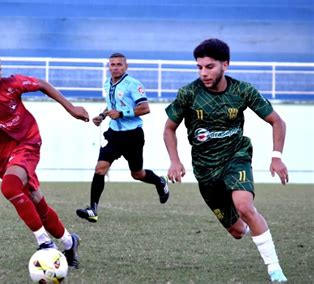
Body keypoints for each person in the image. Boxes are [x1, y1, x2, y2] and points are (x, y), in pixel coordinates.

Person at [0, 48, 89, 268]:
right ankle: (70, 242)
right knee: (36, 201)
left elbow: (41, 84)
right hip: (1, 156)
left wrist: (70, 108)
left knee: (10, 187)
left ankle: (45, 244)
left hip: (27, 142)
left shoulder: (12, 84)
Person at [163, 38, 288, 282]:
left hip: (236, 157)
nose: (203, 73)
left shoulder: (242, 91)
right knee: (237, 231)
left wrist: (277, 157)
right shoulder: (189, 93)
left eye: (209, 67)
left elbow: (277, 121)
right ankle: (254, 227)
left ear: (225, 65)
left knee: (244, 206)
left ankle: (275, 269)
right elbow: (168, 128)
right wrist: (174, 161)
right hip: (206, 170)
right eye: (199, 67)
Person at [76, 52, 169, 223]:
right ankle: (93, 210)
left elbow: (145, 108)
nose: (115, 67)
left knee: (137, 174)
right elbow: (112, 105)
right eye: (112, 64)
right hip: (114, 135)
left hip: (132, 136)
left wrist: (122, 113)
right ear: (108, 67)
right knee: (100, 169)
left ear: (126, 66)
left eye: (119, 64)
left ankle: (159, 181)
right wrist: (102, 116)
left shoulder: (133, 84)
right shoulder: (107, 83)